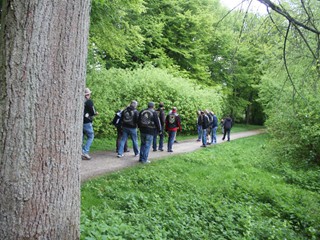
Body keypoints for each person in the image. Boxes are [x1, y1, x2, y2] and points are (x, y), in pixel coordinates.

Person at [82, 88, 98, 160]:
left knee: (81, 137)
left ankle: (79, 151)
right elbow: (92, 112)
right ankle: (85, 151)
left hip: (80, 122)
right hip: (87, 122)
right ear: (87, 95)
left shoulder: (79, 101)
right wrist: (95, 113)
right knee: (91, 136)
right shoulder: (89, 102)